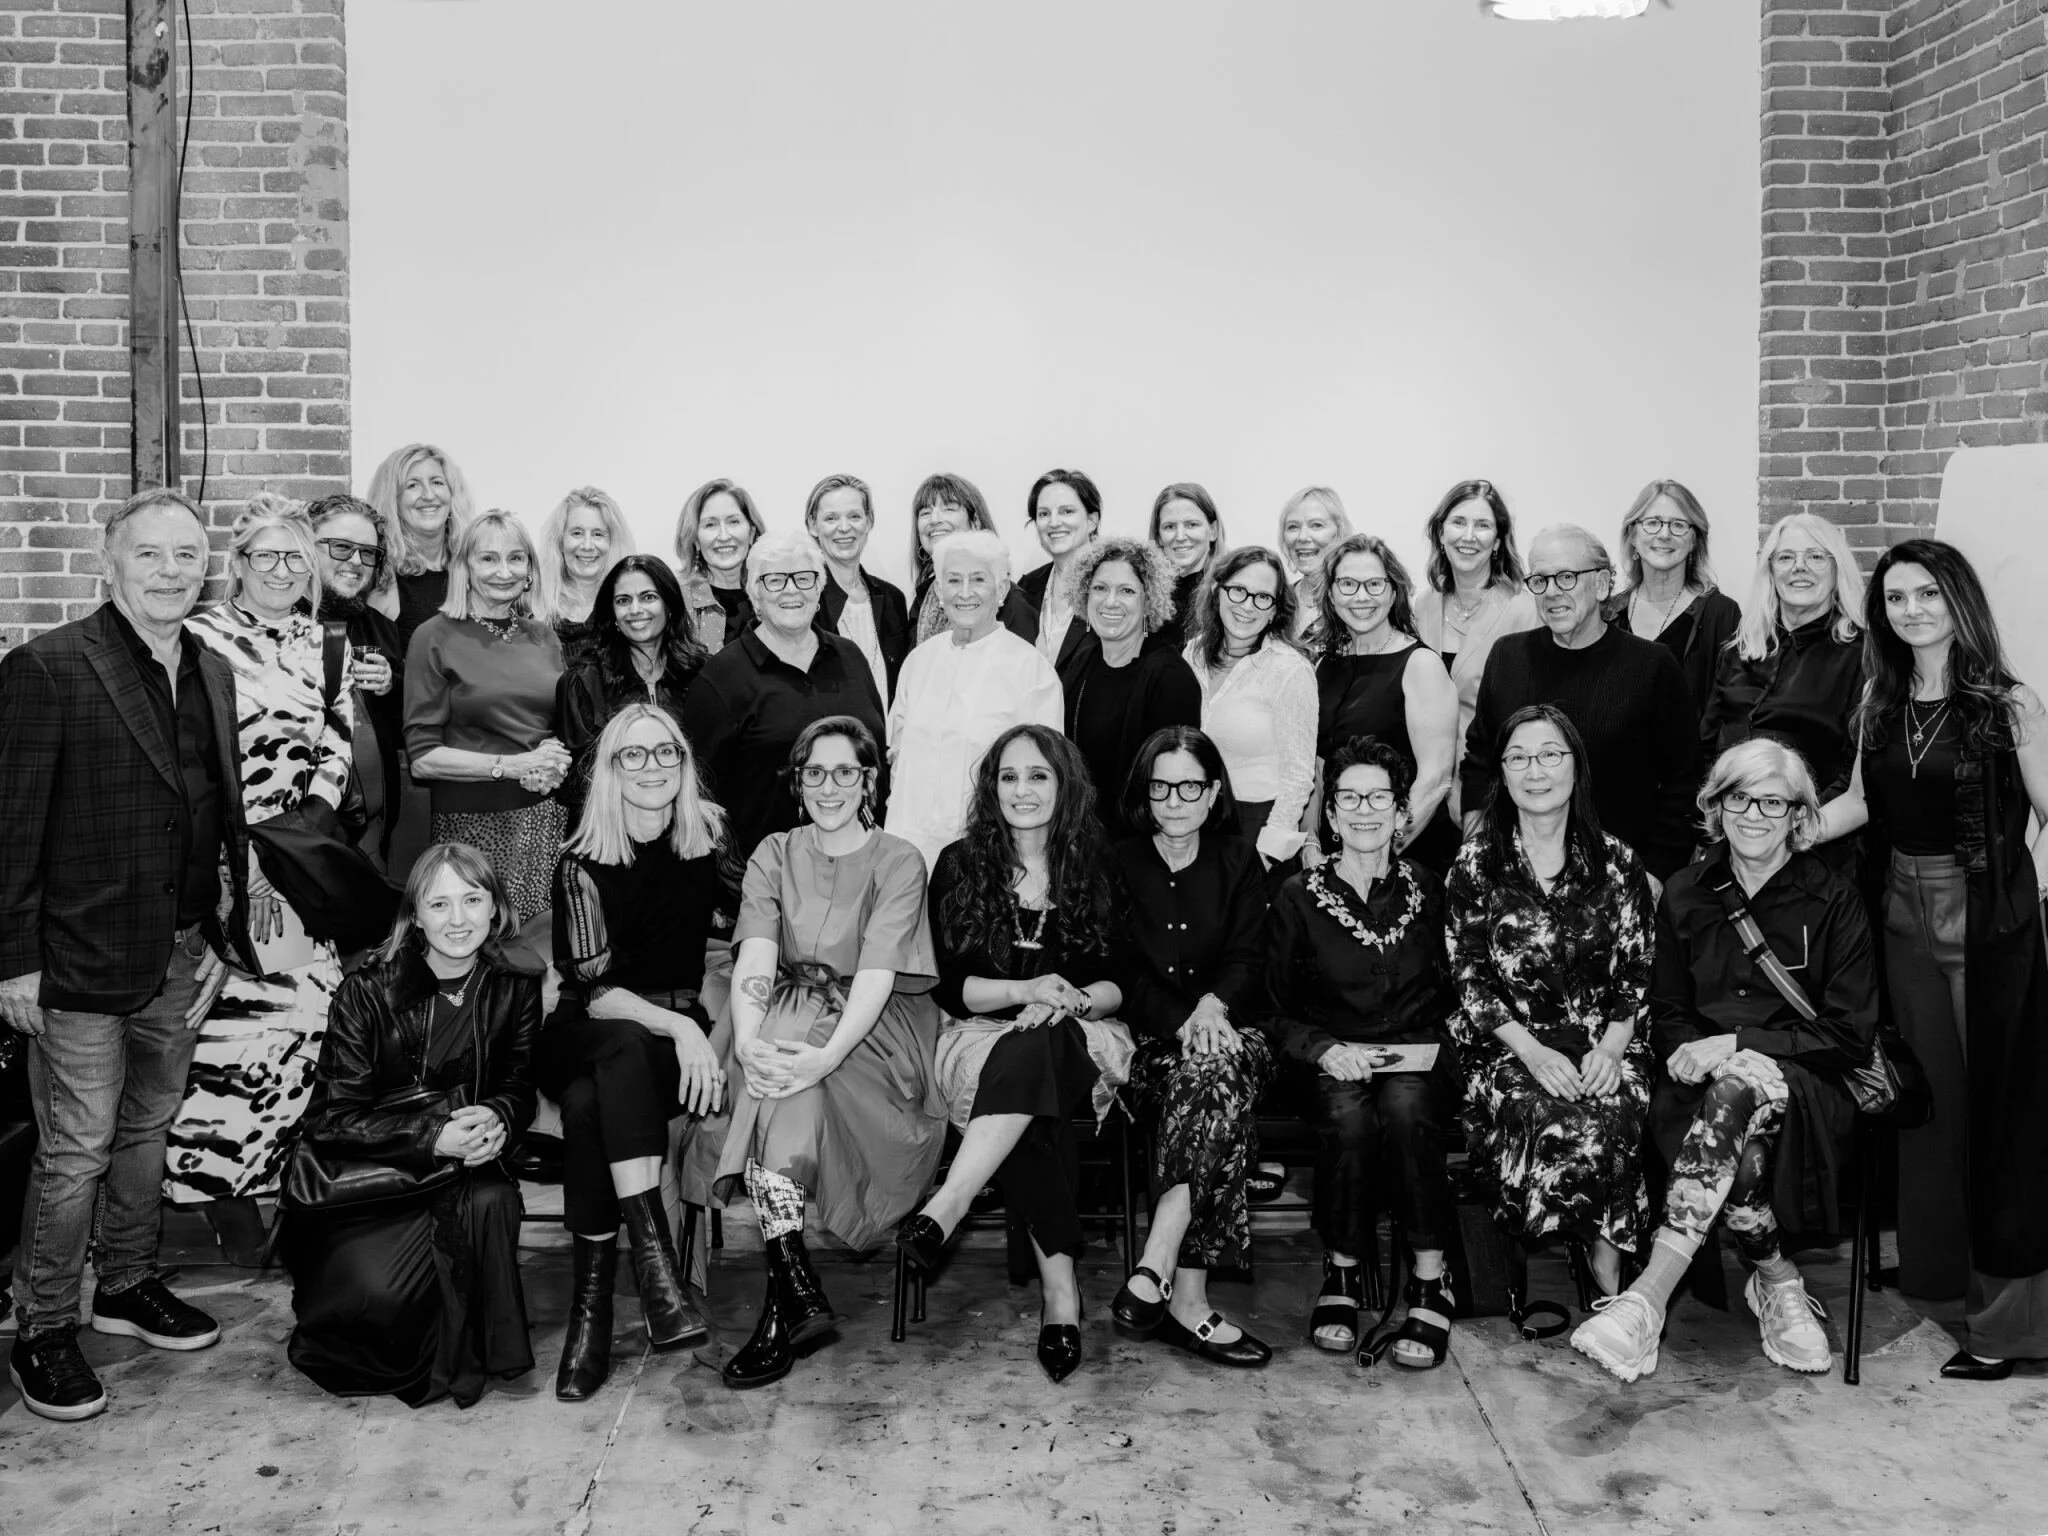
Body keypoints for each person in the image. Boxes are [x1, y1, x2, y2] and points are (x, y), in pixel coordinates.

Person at [0, 488, 256, 1423]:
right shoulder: (48, 667)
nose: (171, 571)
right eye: (149, 555)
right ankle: (42, 1329)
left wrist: (222, 927)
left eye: (187, 556)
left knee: (149, 1128)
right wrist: (12, 961)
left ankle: (126, 1283)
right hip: (78, 958)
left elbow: (218, 811)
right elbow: (11, 826)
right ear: (109, 564)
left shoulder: (212, 668)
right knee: (78, 1147)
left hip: (180, 949)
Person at [1571, 740, 1876, 1382]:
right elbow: (1668, 1009)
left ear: (1798, 814)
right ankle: (1777, 1280)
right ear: (1716, 806)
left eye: (1773, 801)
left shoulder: (1834, 898)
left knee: (1740, 1085)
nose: (1753, 814)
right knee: (1738, 1126)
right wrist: (1704, 1057)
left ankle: (1646, 1301)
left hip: (1809, 1085)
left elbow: (1850, 1034)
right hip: (1703, 1089)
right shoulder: (1686, 893)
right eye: (1738, 797)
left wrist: (1741, 1048)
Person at [1831, 539, 2048, 1379]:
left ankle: (2010, 1327)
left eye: (1927, 594)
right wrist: (1780, 825)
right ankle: (1944, 1293)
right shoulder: (1879, 700)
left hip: (1988, 925)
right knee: (1930, 1114)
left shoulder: (2010, 704)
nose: (1911, 610)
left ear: (1958, 601)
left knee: (2000, 1121)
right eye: (1895, 598)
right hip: (1900, 922)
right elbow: (1857, 800)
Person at [708, 717, 945, 1389]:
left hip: (873, 1026)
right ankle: (793, 1291)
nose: (830, 785)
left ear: (869, 779)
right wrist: (749, 1039)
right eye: (815, 771)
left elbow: (875, 973)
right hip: (780, 1006)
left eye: (846, 771)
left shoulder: (899, 859)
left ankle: (785, 1298)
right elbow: (756, 952)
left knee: (784, 1082)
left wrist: (827, 1054)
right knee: (774, 1075)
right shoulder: (774, 853)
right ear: (798, 780)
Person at [896, 725, 1134, 1384]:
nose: (1022, 790)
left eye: (1038, 776)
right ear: (990, 786)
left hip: (1088, 1035)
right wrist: (1027, 989)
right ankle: (1062, 1296)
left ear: (1064, 785)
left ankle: (948, 1205)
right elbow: (951, 984)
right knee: (1030, 1063)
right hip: (974, 1037)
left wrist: (1068, 1001)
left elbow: (1121, 983)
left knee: (1042, 1047)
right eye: (1008, 776)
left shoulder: (1099, 861)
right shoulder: (959, 863)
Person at [282, 843, 540, 1409]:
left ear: (495, 908)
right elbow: (331, 1117)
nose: (457, 919)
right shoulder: (366, 991)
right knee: (374, 1300)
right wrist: (431, 1137)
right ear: (415, 915)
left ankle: (477, 1353)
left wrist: (499, 1117)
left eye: (472, 900)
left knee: (494, 1198)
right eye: (439, 903)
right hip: (375, 1176)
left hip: (466, 1167)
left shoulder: (515, 985)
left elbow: (519, 1085)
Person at [168, 501, 354, 1243]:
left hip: (295, 859)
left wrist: (288, 848)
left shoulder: (324, 643)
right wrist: (233, 863)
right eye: (266, 558)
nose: (282, 572)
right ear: (237, 564)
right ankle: (208, 1192)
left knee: (308, 1017)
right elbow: (189, 761)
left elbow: (337, 746)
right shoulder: (199, 641)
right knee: (216, 1025)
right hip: (215, 856)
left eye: (295, 560)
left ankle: (270, 1177)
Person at [540, 704, 727, 1399]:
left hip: (661, 1055)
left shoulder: (711, 840)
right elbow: (594, 989)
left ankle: (590, 1317)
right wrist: (683, 1028)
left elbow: (760, 916)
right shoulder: (581, 860)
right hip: (585, 1033)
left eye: (666, 753)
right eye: (633, 756)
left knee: (592, 1111)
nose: (652, 768)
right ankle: (656, 1270)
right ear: (610, 771)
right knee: (614, 1050)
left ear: (684, 763)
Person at [1446, 705, 1655, 1297]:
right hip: (1507, 1045)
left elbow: (1636, 975)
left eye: (1548, 755)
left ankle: (1607, 1267)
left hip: (1606, 1039)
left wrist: (1612, 1050)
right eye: (1518, 758)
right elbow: (1471, 982)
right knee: (1555, 1117)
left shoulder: (1618, 862)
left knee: (1614, 1109)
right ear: (1503, 775)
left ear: (1575, 768)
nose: (1534, 771)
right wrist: (1534, 1054)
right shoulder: (1476, 865)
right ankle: (1591, 1253)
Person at [1265, 738, 1461, 1367]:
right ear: (1331, 814)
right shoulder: (1297, 895)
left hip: (1417, 1056)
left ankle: (1431, 1277)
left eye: (1380, 797)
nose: (1364, 809)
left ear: (1403, 811)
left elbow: (1461, 989)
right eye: (1349, 797)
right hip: (1332, 1058)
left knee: (1406, 1110)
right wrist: (1321, 1050)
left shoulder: (1432, 889)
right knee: (1348, 1114)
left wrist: (1436, 1048)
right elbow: (1273, 1007)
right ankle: (1345, 1270)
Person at [1104, 727, 1274, 1368]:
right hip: (1152, 1044)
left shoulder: (1240, 860)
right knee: (1208, 1083)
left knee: (1217, 1071)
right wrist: (1185, 1021)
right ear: (1145, 794)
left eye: (1190, 786)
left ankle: (1159, 1257)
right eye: (1161, 786)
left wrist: (1212, 1007)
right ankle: (1188, 1301)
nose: (1175, 800)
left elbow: (1250, 957)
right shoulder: (1117, 863)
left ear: (1214, 793)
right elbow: (1122, 972)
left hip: (1239, 1034)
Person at [1461, 525, 1699, 884]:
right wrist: (1477, 855)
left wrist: (1654, 875)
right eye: (1540, 580)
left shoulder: (1653, 667)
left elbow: (1684, 782)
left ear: (1602, 584)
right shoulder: (1507, 658)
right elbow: (1481, 764)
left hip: (1619, 881)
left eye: (1567, 577)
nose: (1552, 592)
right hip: (1517, 883)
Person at [681, 532, 889, 868]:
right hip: (769, 880)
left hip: (861, 870)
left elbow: (877, 762)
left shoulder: (850, 657)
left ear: (819, 590)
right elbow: (699, 798)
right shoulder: (721, 678)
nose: (791, 590)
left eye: (804, 578)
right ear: (756, 596)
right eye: (775, 580)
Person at [404, 510, 571, 930]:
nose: (504, 571)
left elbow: (551, 730)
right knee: (478, 948)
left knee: (543, 956)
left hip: (545, 821)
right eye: (488, 559)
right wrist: (512, 766)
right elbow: (423, 758)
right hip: (471, 827)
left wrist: (553, 761)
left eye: (516, 559)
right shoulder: (433, 636)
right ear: (464, 568)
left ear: (530, 571)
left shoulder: (544, 636)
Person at [885, 529, 1063, 868]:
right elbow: (897, 758)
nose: (964, 593)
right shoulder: (918, 662)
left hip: (988, 859)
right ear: (938, 590)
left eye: (978, 579)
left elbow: (1042, 781)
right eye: (953, 580)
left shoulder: (1032, 671)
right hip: (906, 854)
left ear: (1001, 591)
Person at [1704, 512, 1866, 873]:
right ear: (1770, 570)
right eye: (1786, 557)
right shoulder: (1738, 651)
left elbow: (1852, 776)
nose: (1800, 567)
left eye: (1815, 556)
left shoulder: (1862, 656)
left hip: (1818, 855)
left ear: (1837, 569)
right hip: (1731, 849)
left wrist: (1785, 831)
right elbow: (1709, 748)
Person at [1313, 534, 1460, 871]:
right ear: (1332, 594)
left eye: (1374, 584)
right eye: (1348, 584)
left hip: (1405, 857)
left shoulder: (1420, 665)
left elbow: (1436, 778)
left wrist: (1379, 854)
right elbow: (1319, 770)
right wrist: (1310, 844)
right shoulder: (1325, 666)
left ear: (1394, 592)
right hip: (1333, 855)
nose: (1361, 596)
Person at [1185, 546, 1316, 882]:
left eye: (1262, 598)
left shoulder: (1290, 669)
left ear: (1274, 611)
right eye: (1238, 590)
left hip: (1256, 827)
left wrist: (1268, 853)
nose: (1247, 605)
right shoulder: (1192, 654)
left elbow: (1298, 776)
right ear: (1217, 591)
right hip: (1193, 820)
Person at [1410, 480, 1540, 819]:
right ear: (1440, 532)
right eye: (1458, 522)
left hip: (1494, 794)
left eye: (1482, 525)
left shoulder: (1525, 611)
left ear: (1497, 540)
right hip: (1422, 793)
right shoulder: (1419, 608)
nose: (1468, 536)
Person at [1061, 537, 1202, 840]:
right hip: (1080, 841)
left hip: (1140, 848)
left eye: (1126, 591)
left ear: (1148, 600)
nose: (1110, 601)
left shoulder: (1170, 677)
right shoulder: (1082, 661)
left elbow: (1172, 784)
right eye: (1100, 588)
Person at [555, 554, 708, 812]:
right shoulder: (582, 682)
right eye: (623, 601)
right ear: (612, 613)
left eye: (648, 597)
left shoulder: (704, 674)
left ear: (669, 605)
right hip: (610, 833)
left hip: (692, 827)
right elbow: (575, 783)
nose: (636, 610)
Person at [310, 492, 405, 867]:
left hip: (374, 840)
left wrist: (392, 685)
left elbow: (404, 729)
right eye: (341, 547)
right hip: (300, 840)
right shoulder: (279, 626)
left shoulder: (381, 628)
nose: (356, 561)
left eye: (368, 552)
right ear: (306, 545)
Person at [1604, 480, 1741, 727]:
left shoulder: (1721, 614)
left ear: (1693, 541)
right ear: (1633, 536)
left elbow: (1730, 713)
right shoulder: (1608, 613)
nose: (1664, 534)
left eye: (1678, 525)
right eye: (1652, 523)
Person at [806, 473, 911, 702]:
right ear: (813, 525)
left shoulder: (893, 598)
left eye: (854, 516)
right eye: (831, 518)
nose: (844, 528)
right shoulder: (804, 601)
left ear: (869, 521)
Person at [365, 443, 478, 653]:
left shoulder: (476, 568)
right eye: (412, 485)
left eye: (437, 482)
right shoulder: (382, 578)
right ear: (392, 500)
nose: (428, 495)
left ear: (453, 494)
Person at [905, 471, 1034, 646]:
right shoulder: (922, 599)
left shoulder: (1007, 599)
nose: (934, 520)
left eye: (948, 509)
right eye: (925, 512)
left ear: (975, 522)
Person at [1017, 468, 1103, 671]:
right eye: (1044, 514)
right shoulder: (1026, 587)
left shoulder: (1113, 586)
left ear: (1092, 521)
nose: (1054, 523)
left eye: (1067, 511)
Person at [536, 486, 634, 660]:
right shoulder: (535, 606)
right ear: (560, 541)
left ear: (613, 543)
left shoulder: (630, 609)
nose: (587, 545)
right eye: (577, 533)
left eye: (598, 534)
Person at [673, 478, 765, 650]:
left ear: (751, 533)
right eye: (710, 524)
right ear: (695, 540)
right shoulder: (678, 602)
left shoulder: (772, 595)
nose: (723, 536)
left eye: (733, 521)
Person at [1150, 482, 1225, 652]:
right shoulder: (1148, 595)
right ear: (1159, 537)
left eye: (1192, 524)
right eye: (1170, 527)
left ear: (1212, 531)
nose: (1180, 536)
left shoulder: (1228, 594)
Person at [1276, 487, 1352, 641]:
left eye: (1316, 525)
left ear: (1339, 533)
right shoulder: (1276, 601)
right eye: (1293, 527)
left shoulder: (1356, 602)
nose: (1302, 537)